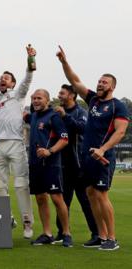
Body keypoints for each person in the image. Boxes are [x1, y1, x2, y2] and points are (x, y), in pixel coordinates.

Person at [57, 45, 129, 251]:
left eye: (104, 82)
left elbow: (120, 132)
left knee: (101, 194)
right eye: (98, 81)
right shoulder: (94, 100)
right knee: (90, 193)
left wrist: (103, 149)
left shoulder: (117, 105)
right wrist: (64, 62)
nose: (100, 84)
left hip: (102, 157)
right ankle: (101, 235)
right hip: (88, 157)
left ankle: (112, 239)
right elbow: (75, 81)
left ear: (112, 87)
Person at [0, 45, 36, 239]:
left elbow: (27, 78)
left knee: (20, 184)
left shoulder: (18, 95)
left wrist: (30, 59)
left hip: (16, 143)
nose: (2, 79)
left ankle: (27, 222)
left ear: (13, 84)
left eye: (6, 78)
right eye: (0, 78)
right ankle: (7, 218)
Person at [25, 89, 72, 247]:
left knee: (57, 199)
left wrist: (49, 151)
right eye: (33, 98)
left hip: (51, 164)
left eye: (39, 98)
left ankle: (66, 233)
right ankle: (47, 234)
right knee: (40, 199)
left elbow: (64, 139)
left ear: (47, 100)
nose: (35, 101)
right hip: (35, 165)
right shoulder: (32, 117)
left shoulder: (54, 116)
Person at [53, 84, 98, 245]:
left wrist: (65, 116)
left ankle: (96, 234)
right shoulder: (56, 113)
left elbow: (82, 128)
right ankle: (62, 232)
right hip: (61, 164)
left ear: (72, 95)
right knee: (62, 200)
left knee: (85, 201)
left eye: (62, 93)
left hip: (78, 165)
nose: (59, 95)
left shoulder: (81, 112)